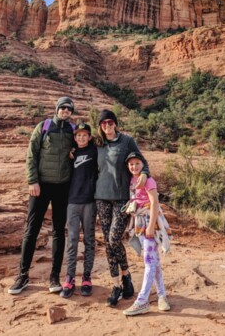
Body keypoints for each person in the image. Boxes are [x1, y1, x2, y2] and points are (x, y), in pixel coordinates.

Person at [8, 96, 75, 295]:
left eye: (69, 109)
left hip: (62, 187)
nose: (65, 111)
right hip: (41, 186)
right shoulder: (43, 127)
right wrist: (32, 180)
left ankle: (54, 276)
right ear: (56, 109)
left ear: (71, 112)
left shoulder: (72, 130)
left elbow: (81, 150)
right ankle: (23, 275)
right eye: (62, 107)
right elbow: (31, 154)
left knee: (58, 231)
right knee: (32, 229)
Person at [95, 108, 150, 307]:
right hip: (101, 198)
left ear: (115, 123)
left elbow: (142, 161)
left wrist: (144, 173)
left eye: (110, 122)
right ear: (100, 126)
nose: (107, 126)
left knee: (113, 238)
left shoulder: (126, 141)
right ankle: (118, 283)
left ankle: (125, 274)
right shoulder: (97, 143)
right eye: (103, 123)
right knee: (109, 244)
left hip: (121, 199)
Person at [123, 152, 171, 316]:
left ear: (143, 164)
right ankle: (162, 296)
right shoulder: (133, 179)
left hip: (149, 222)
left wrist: (151, 226)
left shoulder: (148, 180)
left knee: (149, 261)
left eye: (137, 163)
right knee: (154, 261)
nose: (134, 166)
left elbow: (154, 202)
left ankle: (142, 301)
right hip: (139, 222)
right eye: (131, 164)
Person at [60, 122, 98, 298]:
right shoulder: (72, 154)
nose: (82, 137)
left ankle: (87, 277)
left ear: (89, 137)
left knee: (89, 239)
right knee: (73, 240)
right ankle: (70, 277)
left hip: (90, 202)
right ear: (75, 138)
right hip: (73, 202)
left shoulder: (95, 151)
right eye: (78, 135)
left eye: (85, 135)